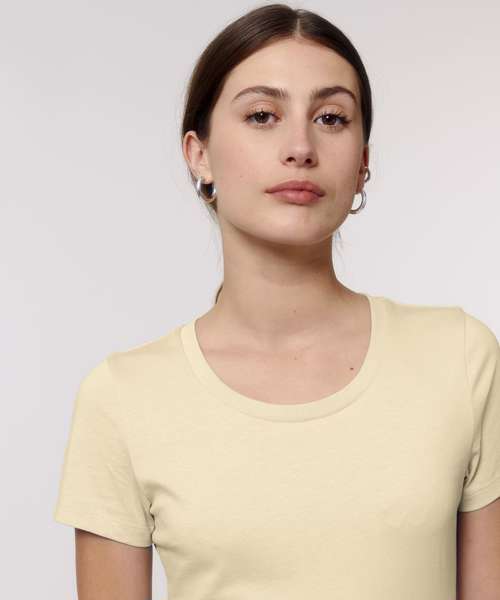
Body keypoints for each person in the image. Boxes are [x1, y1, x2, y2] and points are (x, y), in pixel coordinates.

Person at [53, 4, 500, 599]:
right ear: (199, 154)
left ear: (363, 162)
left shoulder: (459, 358)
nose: (300, 146)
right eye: (262, 115)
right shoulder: (122, 397)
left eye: (332, 118)